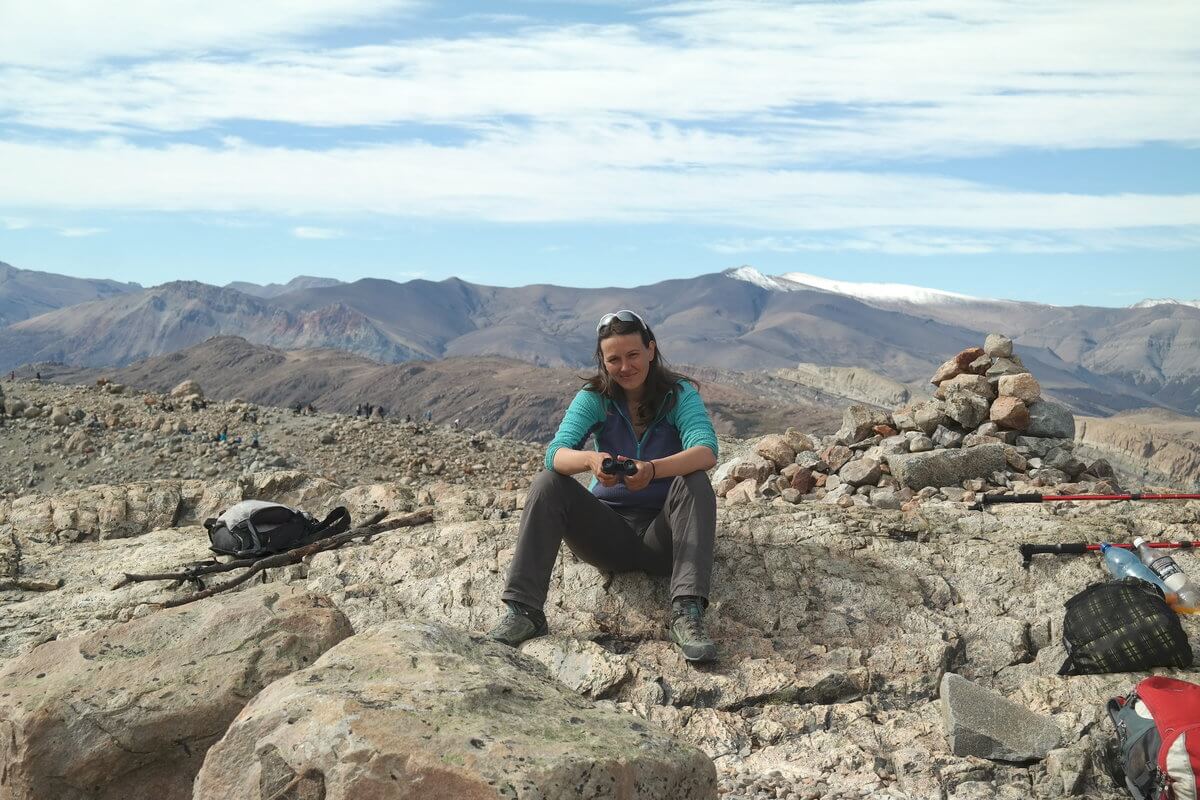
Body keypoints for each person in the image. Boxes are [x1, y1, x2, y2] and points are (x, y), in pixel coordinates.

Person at [487, 309, 720, 662]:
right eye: (614, 359)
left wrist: (653, 470)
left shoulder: (678, 395)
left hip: (666, 535)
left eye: (633, 355)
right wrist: (590, 462)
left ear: (651, 350)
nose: (625, 367)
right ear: (602, 360)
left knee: (695, 481)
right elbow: (555, 454)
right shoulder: (595, 397)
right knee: (548, 483)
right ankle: (525, 612)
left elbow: (705, 450)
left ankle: (687, 613)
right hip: (608, 536)